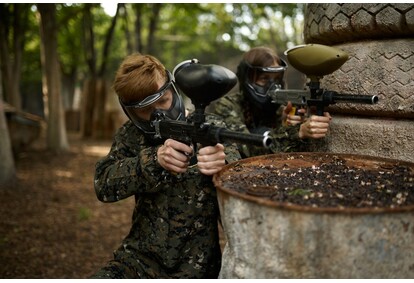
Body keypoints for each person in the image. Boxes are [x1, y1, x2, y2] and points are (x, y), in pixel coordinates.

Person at [90, 53, 241, 279]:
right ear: (130, 112)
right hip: (138, 260)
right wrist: (153, 160)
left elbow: (242, 180)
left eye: (162, 101)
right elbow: (103, 184)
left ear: (174, 90)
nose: (158, 113)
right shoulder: (130, 135)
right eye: (145, 110)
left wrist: (224, 165)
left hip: (197, 267)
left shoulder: (212, 128)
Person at [213, 46, 332, 158]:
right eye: (264, 78)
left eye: (277, 79)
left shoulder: (280, 109)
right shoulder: (228, 106)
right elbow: (249, 150)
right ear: (247, 79)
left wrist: (291, 125)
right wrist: (297, 132)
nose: (273, 86)